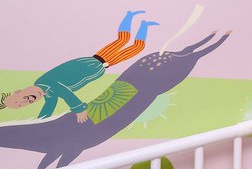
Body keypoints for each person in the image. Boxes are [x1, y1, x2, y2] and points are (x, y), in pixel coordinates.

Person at [1, 10, 157, 123]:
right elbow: (50, 104)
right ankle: (142, 23)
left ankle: (131, 16)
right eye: (21, 105)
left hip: (96, 62)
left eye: (19, 99)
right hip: (100, 65)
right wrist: (41, 121)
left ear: (19, 91)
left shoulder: (47, 83)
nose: (25, 101)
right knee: (128, 43)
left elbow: (65, 92)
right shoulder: (47, 91)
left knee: (128, 43)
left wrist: (79, 109)